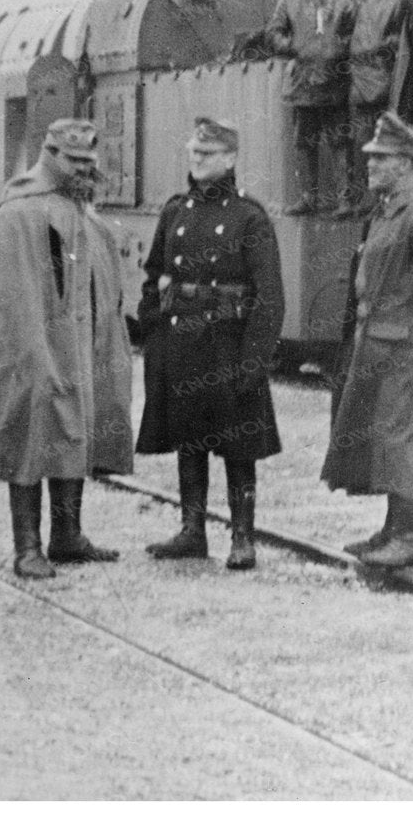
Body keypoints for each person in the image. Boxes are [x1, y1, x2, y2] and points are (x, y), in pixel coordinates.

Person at [0, 118, 135, 580]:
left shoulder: (84, 215)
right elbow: (9, 299)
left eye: (89, 162)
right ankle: (27, 547)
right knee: (30, 437)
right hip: (32, 351)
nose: (84, 170)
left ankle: (67, 536)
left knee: (74, 431)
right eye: (74, 161)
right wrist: (34, 357)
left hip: (79, 350)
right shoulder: (19, 213)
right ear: (49, 156)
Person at [136, 118, 286, 571]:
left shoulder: (249, 216)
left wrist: (254, 360)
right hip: (183, 343)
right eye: (194, 152)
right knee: (189, 439)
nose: (198, 159)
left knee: (238, 446)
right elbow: (154, 276)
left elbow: (270, 297)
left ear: (231, 158)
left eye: (208, 153)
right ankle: (192, 531)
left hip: (229, 347)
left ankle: (243, 537)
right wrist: (154, 333)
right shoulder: (175, 212)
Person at [320, 111, 413, 568]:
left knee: (401, 437)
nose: (370, 164)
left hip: (404, 345)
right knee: (381, 437)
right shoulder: (385, 213)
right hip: (376, 340)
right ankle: (391, 529)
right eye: (371, 157)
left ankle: (408, 537)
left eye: (380, 158)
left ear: (404, 165)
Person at [267, 0, 356, 215]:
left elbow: (353, 35)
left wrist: (336, 50)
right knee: (304, 142)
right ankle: (308, 198)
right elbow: (273, 33)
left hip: (333, 81)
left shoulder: (342, 0)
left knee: (339, 141)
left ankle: (344, 199)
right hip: (303, 82)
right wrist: (293, 47)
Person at [345, 0, 403, 217]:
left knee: (389, 143)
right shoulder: (360, 2)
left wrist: (384, 49)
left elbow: (399, 38)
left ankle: (389, 199)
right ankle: (368, 200)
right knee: (362, 144)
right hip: (360, 82)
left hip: (388, 80)